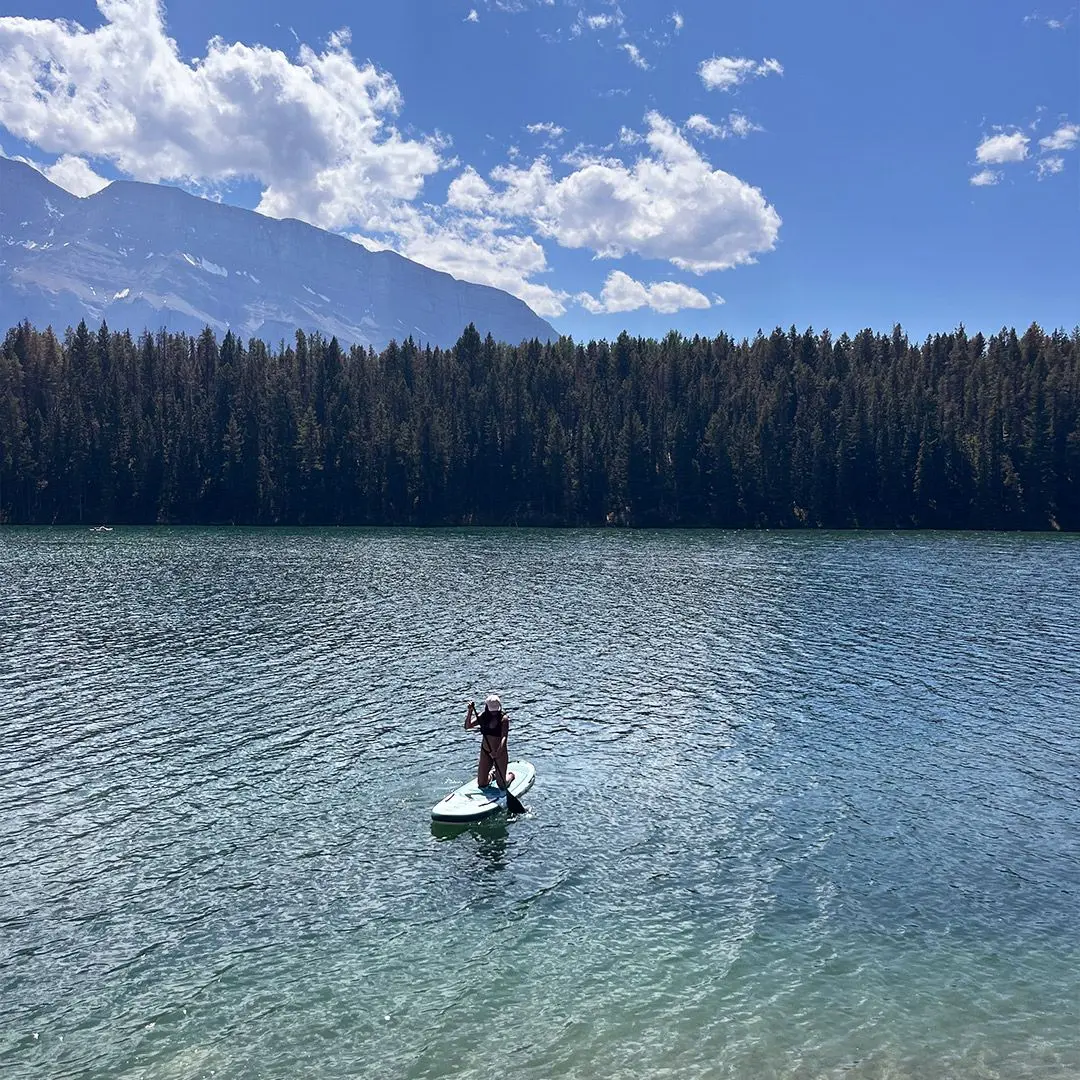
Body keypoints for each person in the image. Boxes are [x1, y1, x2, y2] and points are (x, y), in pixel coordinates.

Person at [465, 695, 515, 790]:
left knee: (502, 785)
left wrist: (497, 753)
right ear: (487, 707)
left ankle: (511, 775)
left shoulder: (503, 719)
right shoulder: (483, 716)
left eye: (496, 710)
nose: (494, 712)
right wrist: (470, 711)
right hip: (486, 751)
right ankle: (493, 775)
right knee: (482, 783)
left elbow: (504, 737)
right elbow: (467, 726)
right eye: (493, 710)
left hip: (500, 752)